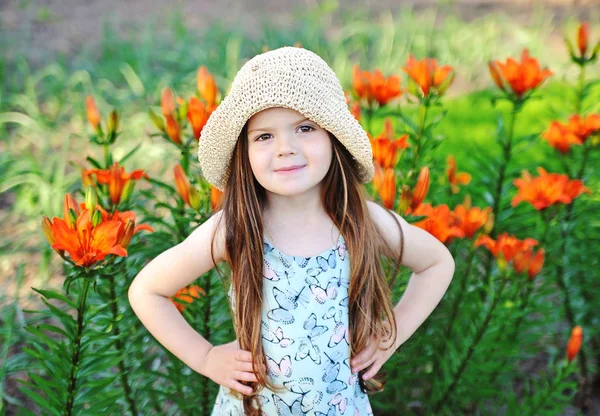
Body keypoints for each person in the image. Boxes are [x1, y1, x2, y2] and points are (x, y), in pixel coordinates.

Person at [128, 46, 455, 416]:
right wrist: (205, 357)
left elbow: (436, 262)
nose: (286, 148)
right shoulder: (237, 227)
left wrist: (388, 339)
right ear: (244, 153)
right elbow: (147, 290)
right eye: (264, 136)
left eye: (304, 128)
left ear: (334, 137)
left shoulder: (360, 220)